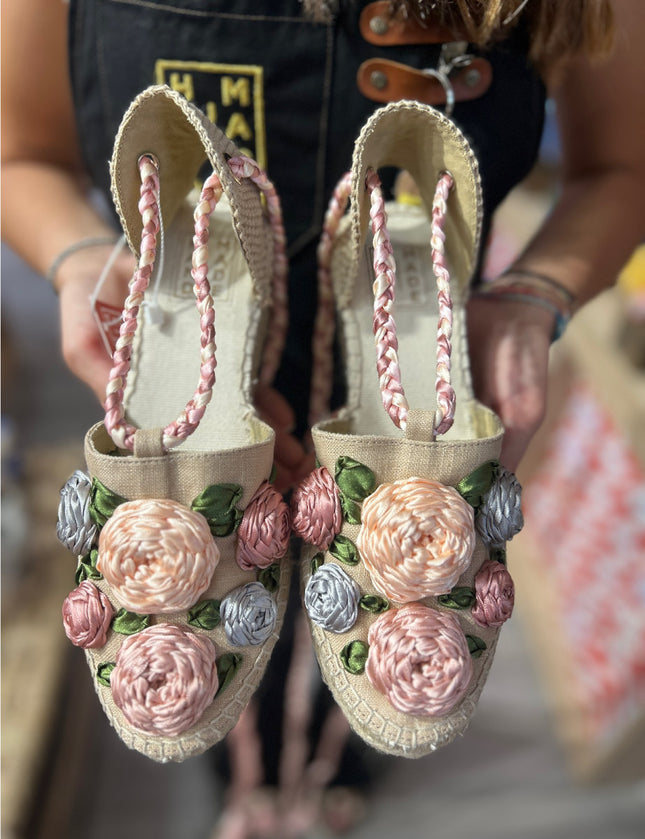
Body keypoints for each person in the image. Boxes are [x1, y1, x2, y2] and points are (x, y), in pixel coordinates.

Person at [3, 1, 644, 835]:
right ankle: (251, 770)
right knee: (238, 629)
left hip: (421, 329)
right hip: (187, 309)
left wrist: (532, 297)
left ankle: (337, 760)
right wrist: (80, 260)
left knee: (371, 623)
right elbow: (20, 153)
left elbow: (621, 166)